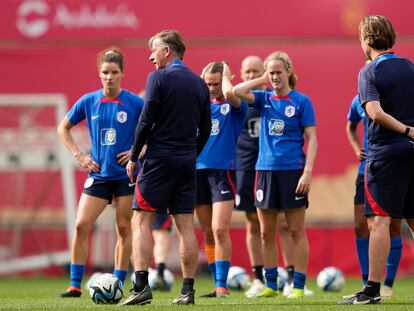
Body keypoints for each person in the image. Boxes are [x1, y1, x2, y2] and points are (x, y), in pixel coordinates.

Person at [122, 29, 211, 306]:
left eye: (154, 50)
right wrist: (190, 153)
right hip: (186, 161)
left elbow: (145, 121)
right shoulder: (199, 83)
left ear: (167, 51)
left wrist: (134, 156)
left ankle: (140, 286)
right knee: (185, 224)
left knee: (141, 220)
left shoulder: (157, 77)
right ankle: (187, 292)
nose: (151, 57)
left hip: (159, 160)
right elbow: (206, 128)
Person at [56, 47, 144, 297]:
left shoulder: (135, 103)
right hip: (98, 175)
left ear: (122, 74)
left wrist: (137, 153)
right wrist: (79, 156)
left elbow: (155, 131)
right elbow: (63, 128)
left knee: (124, 228)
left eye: (114, 72)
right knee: (81, 225)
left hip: (125, 176)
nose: (109, 77)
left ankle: (117, 283)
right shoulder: (88, 101)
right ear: (99, 73)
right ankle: (74, 284)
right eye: (105, 72)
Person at [339, 15, 414, 305]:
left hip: (386, 154)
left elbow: (375, 113)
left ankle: (371, 290)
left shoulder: (369, 71)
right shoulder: (409, 67)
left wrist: (406, 129)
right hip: (411, 152)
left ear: (366, 40)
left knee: (380, 221)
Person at [233, 51, 318, 298]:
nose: (275, 77)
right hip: (264, 172)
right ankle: (271, 285)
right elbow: (237, 91)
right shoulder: (263, 98)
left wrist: (308, 172)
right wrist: (263, 79)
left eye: (279, 72)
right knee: (265, 232)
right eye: (272, 72)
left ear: (289, 72)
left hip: (293, 172)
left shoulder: (302, 101)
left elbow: (312, 139)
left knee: (295, 230)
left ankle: (299, 286)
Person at [196, 61, 247, 298]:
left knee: (219, 229)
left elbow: (229, 92)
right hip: (197, 173)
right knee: (207, 232)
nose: (212, 88)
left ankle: (222, 286)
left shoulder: (235, 105)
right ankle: (217, 284)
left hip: (222, 173)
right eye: (208, 84)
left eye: (215, 83)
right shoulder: (198, 107)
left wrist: (227, 75)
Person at [345, 94, 402, 299]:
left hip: (392, 167)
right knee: (361, 226)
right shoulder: (359, 99)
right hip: (366, 170)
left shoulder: (396, 96)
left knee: (393, 226)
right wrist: (355, 148)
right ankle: (367, 284)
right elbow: (350, 126)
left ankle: (387, 284)